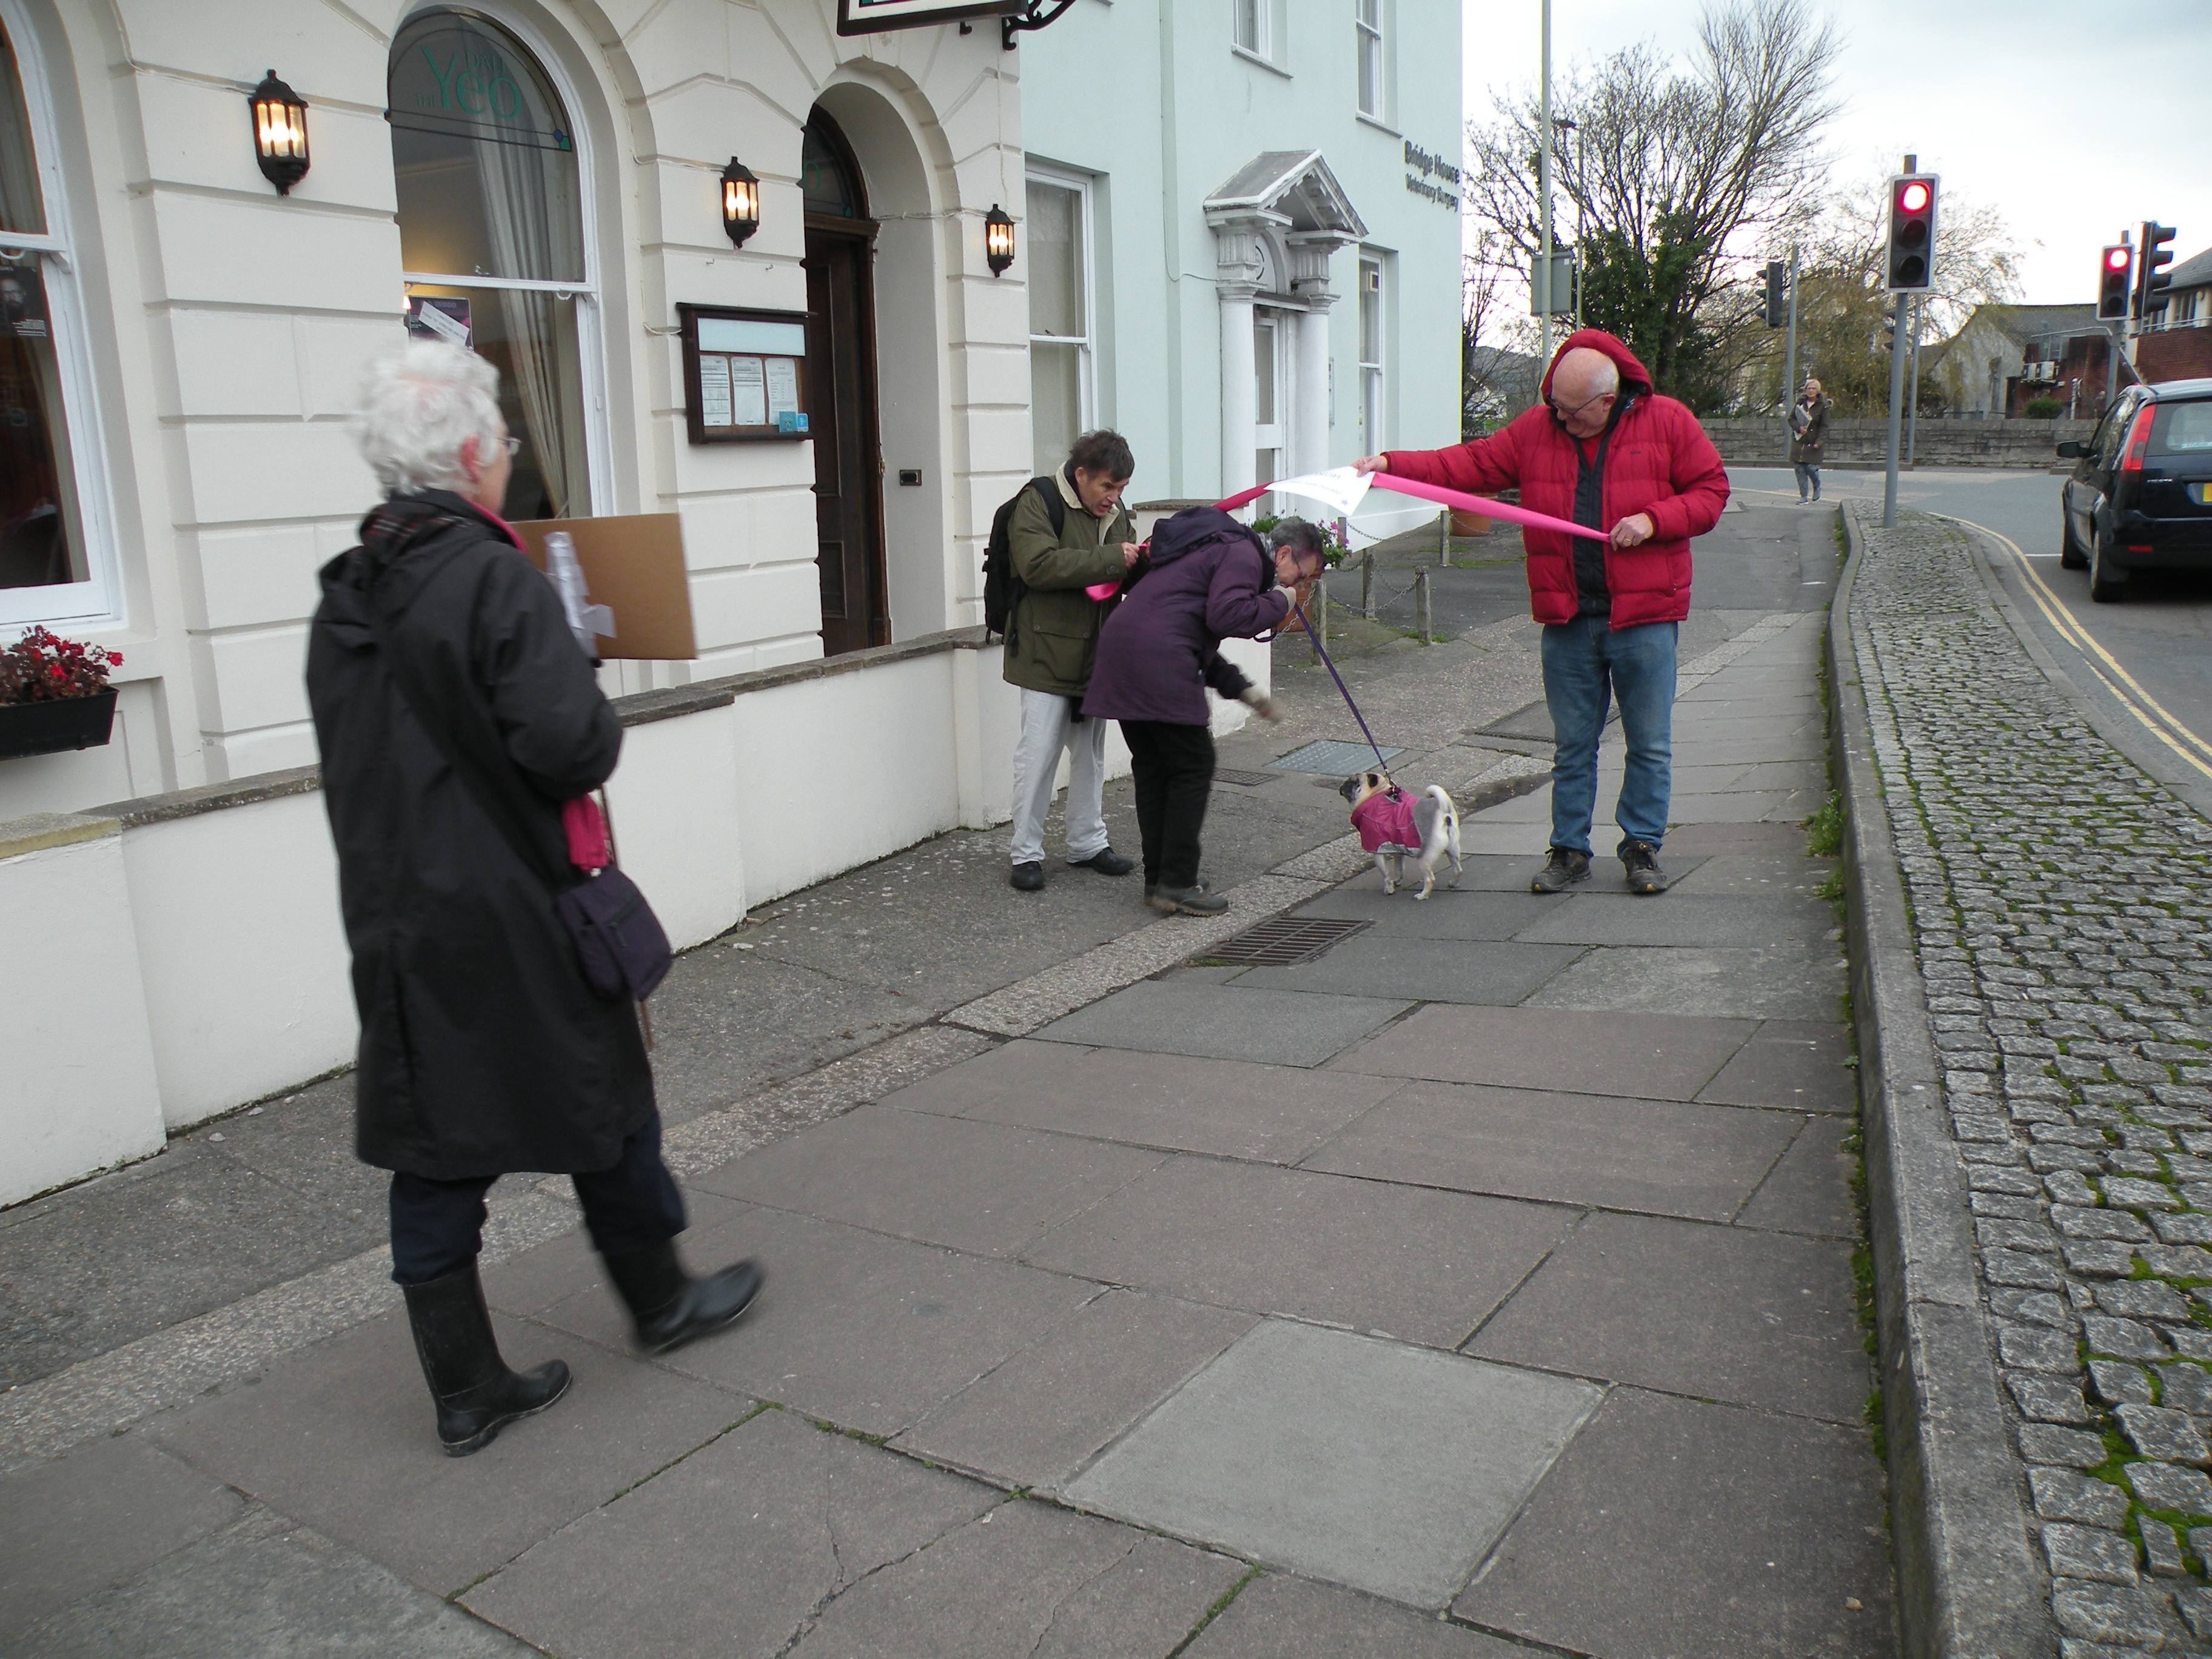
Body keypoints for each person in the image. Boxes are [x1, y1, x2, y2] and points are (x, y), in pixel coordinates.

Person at [307, 341, 760, 1458]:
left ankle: (464, 1386)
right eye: (502, 439)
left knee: (436, 1148)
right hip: (513, 902)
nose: (506, 456)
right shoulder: (492, 574)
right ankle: (660, 1300)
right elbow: (569, 748)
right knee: (605, 1103)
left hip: (401, 915)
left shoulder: (348, 591)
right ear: (471, 452)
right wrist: (580, 664)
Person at [1355, 328, 1729, 897]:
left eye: (1571, 411)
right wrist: (1390, 463)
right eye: (1553, 404)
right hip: (1568, 618)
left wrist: (1655, 519)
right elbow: (1468, 465)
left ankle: (1642, 847)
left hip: (1646, 616)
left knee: (1649, 741)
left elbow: (1711, 491)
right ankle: (1569, 850)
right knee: (1572, 744)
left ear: (1608, 400)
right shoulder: (1539, 428)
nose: (1559, 418)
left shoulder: (1669, 421)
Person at [1082, 513, 1320, 913]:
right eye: (1299, 575)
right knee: (1194, 765)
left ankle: (1161, 879)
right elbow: (1226, 616)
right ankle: (1177, 883)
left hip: (1123, 655)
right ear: (1283, 554)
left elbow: (1188, 631)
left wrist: (1246, 693)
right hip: (1158, 661)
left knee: (1157, 769)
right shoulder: (1243, 555)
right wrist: (1280, 600)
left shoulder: (1211, 548)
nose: (1297, 586)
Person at [1002, 431, 1144, 893]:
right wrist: (1111, 558)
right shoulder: (1038, 500)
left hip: (1093, 655)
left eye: (1121, 488)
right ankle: (1026, 854)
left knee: (1091, 756)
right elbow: (1038, 565)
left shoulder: (1116, 512)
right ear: (1081, 474)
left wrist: (1142, 562)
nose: (1114, 498)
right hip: (1044, 652)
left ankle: (1087, 843)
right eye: (1107, 487)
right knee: (1038, 755)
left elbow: (1120, 573)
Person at [1791, 377, 1830, 503]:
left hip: (1814, 443)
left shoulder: (1823, 406)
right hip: (1800, 442)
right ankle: (1803, 496)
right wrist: (1798, 428)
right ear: (1805, 390)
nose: (1811, 391)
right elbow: (1791, 419)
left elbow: (1824, 427)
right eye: (1809, 388)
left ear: (1818, 390)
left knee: (1811, 468)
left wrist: (1819, 442)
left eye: (1814, 388)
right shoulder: (1800, 404)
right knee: (1800, 470)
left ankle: (1817, 486)